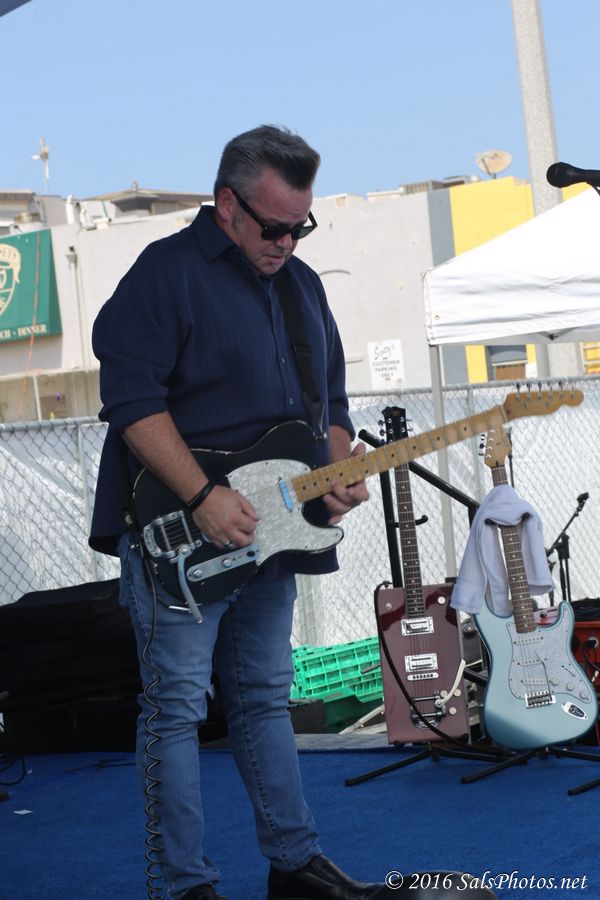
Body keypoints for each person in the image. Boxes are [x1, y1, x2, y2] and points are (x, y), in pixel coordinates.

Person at [90, 125, 385, 900]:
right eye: (274, 227)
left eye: (300, 227)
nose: (287, 242)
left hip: (273, 534)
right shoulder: (165, 274)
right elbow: (130, 401)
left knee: (263, 698)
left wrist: (335, 471)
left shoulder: (303, 285)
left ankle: (294, 867)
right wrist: (201, 496)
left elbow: (329, 406)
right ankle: (184, 887)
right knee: (176, 709)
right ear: (227, 205)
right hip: (179, 535)